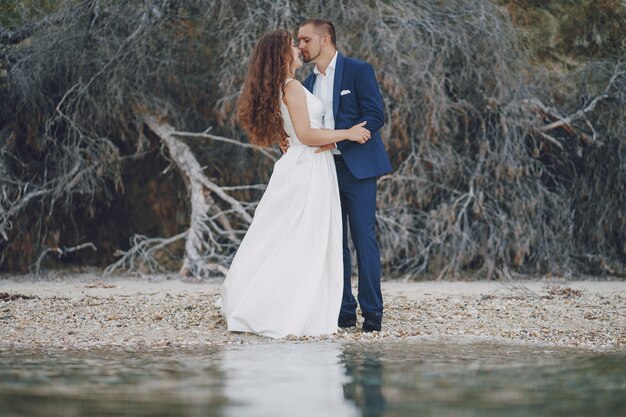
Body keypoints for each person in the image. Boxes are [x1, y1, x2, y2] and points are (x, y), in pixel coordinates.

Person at [219, 29, 371, 338]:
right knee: (302, 237)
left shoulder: (287, 87)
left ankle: (295, 299)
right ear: (281, 54)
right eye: (291, 44)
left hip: (305, 164)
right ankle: (288, 305)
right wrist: (347, 133)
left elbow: (292, 131)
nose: (296, 48)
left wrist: (293, 138)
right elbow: (306, 135)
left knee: (289, 236)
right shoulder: (292, 87)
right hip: (308, 167)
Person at [287, 18, 393, 332]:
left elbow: (375, 117)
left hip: (358, 169)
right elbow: (304, 126)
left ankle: (372, 314)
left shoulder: (359, 70)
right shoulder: (306, 85)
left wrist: (338, 139)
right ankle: (343, 311)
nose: (301, 46)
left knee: (363, 237)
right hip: (323, 170)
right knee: (335, 242)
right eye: (299, 41)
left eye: (305, 39)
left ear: (326, 38)